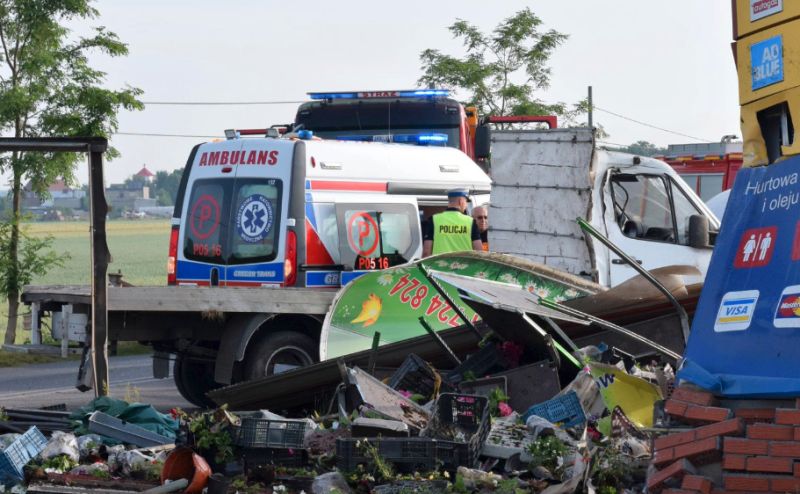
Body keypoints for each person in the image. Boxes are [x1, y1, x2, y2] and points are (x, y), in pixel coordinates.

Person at [422, 188, 483, 257]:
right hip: (464, 267)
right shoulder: (470, 222)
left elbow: (426, 253)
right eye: (466, 202)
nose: (466, 205)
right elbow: (479, 251)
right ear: (461, 201)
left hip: (438, 267)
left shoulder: (434, 220)